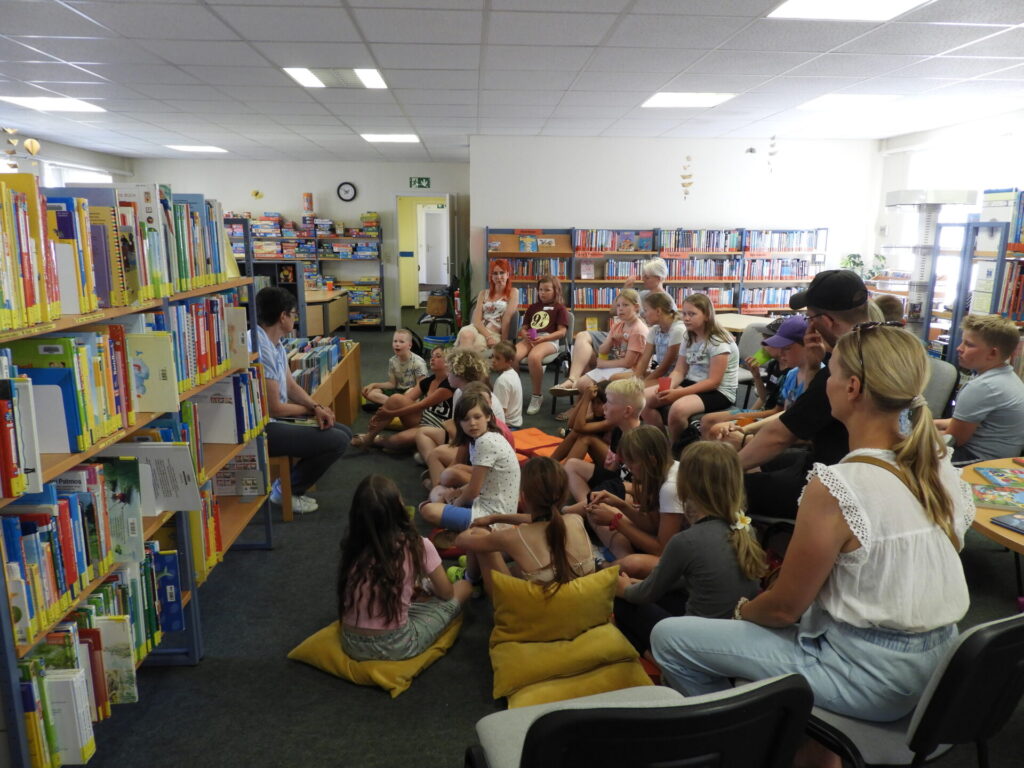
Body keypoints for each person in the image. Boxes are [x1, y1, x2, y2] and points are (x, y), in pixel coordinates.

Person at [651, 325, 973, 752]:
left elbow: (783, 609)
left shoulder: (840, 485)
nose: (826, 382)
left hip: (870, 678)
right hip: (942, 669)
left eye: (830, 373)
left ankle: (744, 747)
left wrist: (741, 613)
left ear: (852, 387)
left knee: (671, 637)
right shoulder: (939, 466)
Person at [738, 270, 870, 519]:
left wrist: (720, 471)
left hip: (833, 483)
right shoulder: (871, 347)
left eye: (810, 317)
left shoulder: (842, 369)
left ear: (828, 322)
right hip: (833, 463)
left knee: (724, 486)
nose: (809, 325)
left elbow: (781, 435)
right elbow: (811, 413)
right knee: (756, 464)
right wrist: (811, 366)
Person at [613, 442, 764, 655]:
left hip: (698, 643)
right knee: (658, 592)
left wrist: (623, 588)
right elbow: (700, 577)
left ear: (687, 484)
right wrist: (641, 584)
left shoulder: (687, 541)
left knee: (621, 603)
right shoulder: (746, 528)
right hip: (732, 634)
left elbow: (644, 595)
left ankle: (656, 657)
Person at [337, 475, 471, 661]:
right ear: (399, 509)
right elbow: (447, 593)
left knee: (418, 592)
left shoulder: (353, 544)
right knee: (463, 588)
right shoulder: (417, 544)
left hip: (350, 641)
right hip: (396, 645)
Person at [254, 287, 351, 515]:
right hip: (265, 426)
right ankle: (285, 491)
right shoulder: (259, 348)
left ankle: (292, 486)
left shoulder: (275, 343)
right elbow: (274, 408)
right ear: (283, 316)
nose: (295, 319)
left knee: (343, 432)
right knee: (336, 440)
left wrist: (316, 407)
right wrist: (309, 412)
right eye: (294, 314)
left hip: (278, 418)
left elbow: (290, 385)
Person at [454, 457, 595, 595]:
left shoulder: (513, 537)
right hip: (581, 605)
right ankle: (473, 572)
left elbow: (460, 541)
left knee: (479, 534)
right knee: (517, 567)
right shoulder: (576, 520)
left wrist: (478, 528)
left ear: (523, 497)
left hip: (539, 614)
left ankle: (470, 578)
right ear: (564, 494)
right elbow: (541, 520)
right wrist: (493, 518)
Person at [583, 425, 687, 577]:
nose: (627, 467)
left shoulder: (670, 488)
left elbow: (662, 550)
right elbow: (652, 526)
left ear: (651, 460)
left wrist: (616, 521)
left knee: (632, 564)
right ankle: (620, 560)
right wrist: (621, 505)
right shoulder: (662, 471)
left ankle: (604, 567)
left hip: (690, 560)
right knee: (599, 510)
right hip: (677, 544)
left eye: (631, 462)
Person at [706, 316, 819, 450]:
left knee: (726, 434)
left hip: (792, 435)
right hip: (779, 423)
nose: (781, 353)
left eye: (786, 348)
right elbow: (780, 410)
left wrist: (746, 426)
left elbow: (796, 423)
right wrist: (746, 426)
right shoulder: (791, 373)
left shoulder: (818, 378)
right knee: (720, 429)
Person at [641, 293, 738, 445]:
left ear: (706, 315)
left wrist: (678, 393)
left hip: (719, 391)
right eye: (684, 313)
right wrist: (668, 388)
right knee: (644, 399)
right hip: (692, 383)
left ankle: (676, 448)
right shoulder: (688, 336)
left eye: (692, 314)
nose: (686, 318)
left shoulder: (718, 341)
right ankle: (661, 444)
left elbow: (714, 382)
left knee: (678, 410)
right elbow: (680, 370)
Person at [419, 391, 521, 532]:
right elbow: (479, 483)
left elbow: (474, 490)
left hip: (494, 519)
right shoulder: (485, 437)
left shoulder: (485, 442)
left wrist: (455, 503)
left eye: (477, 417)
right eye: (466, 419)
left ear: (488, 417)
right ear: (459, 423)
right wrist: (457, 493)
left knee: (428, 509)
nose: (472, 423)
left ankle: (470, 533)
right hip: (489, 504)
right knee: (439, 492)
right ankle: (459, 528)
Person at [935, 313, 1024, 462]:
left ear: (992, 353)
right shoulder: (1007, 377)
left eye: (968, 344)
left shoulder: (983, 387)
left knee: (905, 453)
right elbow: (967, 422)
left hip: (976, 459)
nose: (959, 348)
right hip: (1001, 457)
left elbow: (953, 439)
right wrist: (930, 424)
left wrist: (913, 435)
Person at [562, 377, 644, 516]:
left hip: (632, 493)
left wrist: (611, 488)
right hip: (618, 482)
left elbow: (645, 488)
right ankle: (589, 507)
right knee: (571, 465)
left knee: (566, 511)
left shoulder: (642, 441)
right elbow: (612, 470)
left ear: (627, 411)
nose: (604, 407)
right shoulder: (619, 430)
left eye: (609, 402)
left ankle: (581, 509)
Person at [351, 346, 454, 451]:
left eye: (438, 356)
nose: (432, 359)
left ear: (449, 362)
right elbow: (404, 399)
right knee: (396, 398)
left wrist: (389, 413)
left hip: (438, 428)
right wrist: (381, 412)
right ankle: (369, 437)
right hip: (423, 419)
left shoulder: (449, 384)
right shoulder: (428, 381)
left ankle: (378, 441)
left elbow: (421, 405)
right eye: (432, 356)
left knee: (395, 441)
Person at [550, 289, 648, 394]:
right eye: (618, 306)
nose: (620, 309)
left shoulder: (638, 330)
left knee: (585, 385)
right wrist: (610, 339)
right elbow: (602, 350)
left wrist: (604, 364)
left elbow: (628, 363)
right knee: (582, 384)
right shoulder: (619, 325)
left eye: (625, 305)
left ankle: (585, 408)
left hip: (631, 370)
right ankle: (578, 405)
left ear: (636, 307)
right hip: (618, 364)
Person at [514, 274, 570, 416]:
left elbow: (562, 332)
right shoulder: (533, 307)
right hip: (531, 339)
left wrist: (544, 339)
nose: (542, 293)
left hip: (549, 340)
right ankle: (515, 392)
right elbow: (524, 328)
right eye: (540, 290)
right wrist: (524, 333)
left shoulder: (559, 308)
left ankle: (537, 396)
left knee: (534, 357)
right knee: (512, 355)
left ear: (555, 291)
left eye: (547, 290)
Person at [457, 258, 518, 351]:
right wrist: (488, 337)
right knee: (465, 333)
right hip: (478, 329)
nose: (498, 276)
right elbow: (476, 320)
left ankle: (464, 363)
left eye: (502, 273)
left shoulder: (513, 292)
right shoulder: (483, 293)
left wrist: (504, 343)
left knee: (476, 346)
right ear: (491, 276)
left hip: (495, 333)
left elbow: (507, 319)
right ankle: (464, 363)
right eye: (495, 273)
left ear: (508, 275)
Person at [625, 291, 684, 387]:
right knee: (616, 379)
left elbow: (664, 367)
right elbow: (644, 361)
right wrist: (635, 380)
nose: (643, 315)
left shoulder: (678, 330)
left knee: (639, 389)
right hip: (662, 374)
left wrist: (640, 385)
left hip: (675, 378)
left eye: (646, 310)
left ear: (658, 311)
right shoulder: (655, 330)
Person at [361, 328, 428, 407]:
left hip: (413, 392)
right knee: (370, 393)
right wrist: (374, 384)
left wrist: (406, 396)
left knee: (410, 393)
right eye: (395, 341)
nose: (397, 344)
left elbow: (420, 388)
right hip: (398, 391)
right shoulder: (392, 361)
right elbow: (392, 384)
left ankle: (391, 406)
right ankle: (397, 406)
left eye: (401, 342)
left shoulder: (418, 362)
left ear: (410, 345)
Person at [490, 341, 523, 428]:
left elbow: (499, 412)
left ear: (509, 362)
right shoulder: (513, 373)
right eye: (492, 356)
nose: (493, 361)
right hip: (515, 423)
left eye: (498, 358)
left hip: (508, 426)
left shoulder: (502, 381)